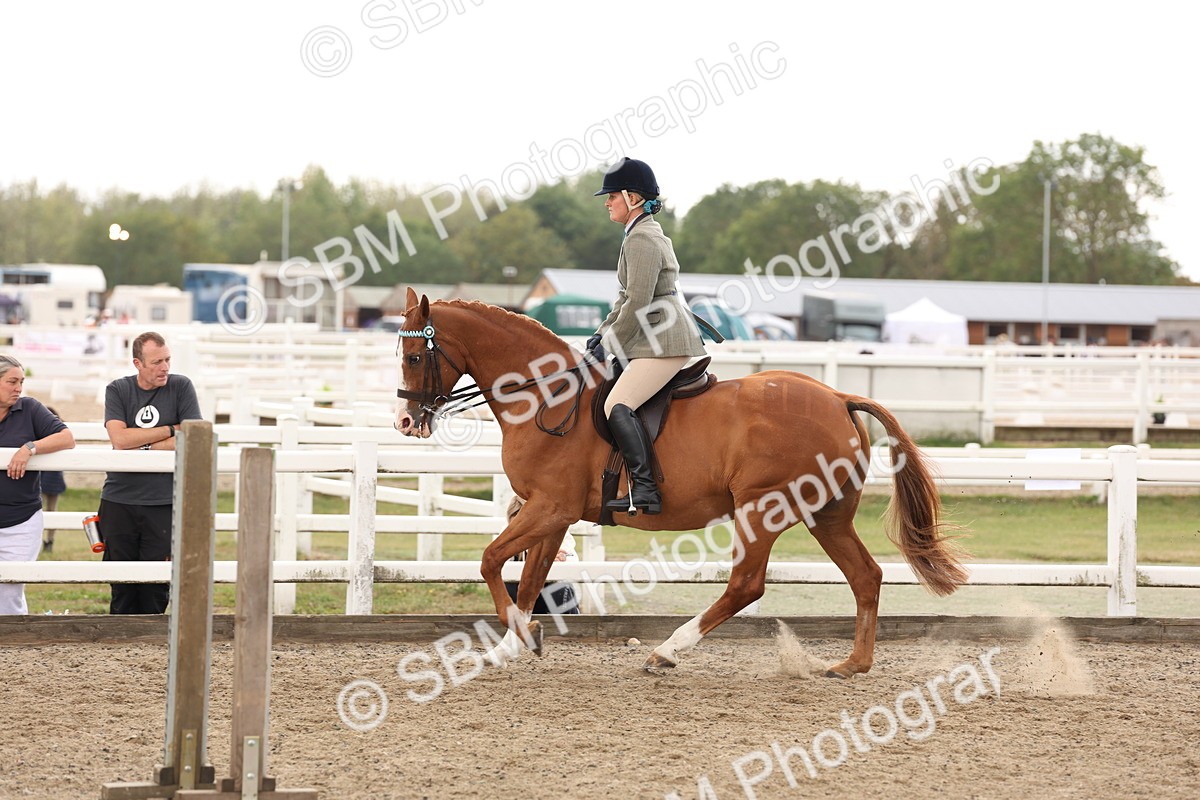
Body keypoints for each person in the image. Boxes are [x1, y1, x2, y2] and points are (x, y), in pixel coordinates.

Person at [586, 157, 707, 516]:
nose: (607, 203)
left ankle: (645, 489)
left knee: (616, 405)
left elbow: (638, 301)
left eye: (612, 196)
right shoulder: (638, 234)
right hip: (651, 336)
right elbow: (625, 298)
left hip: (664, 340)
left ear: (633, 197)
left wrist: (610, 345)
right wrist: (601, 335)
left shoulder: (642, 238)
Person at [101, 332, 202, 614]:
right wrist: (170, 429)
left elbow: (194, 435)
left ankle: (152, 637)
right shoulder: (118, 389)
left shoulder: (181, 386)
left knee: (156, 585)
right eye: (157, 362)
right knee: (120, 583)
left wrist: (142, 442)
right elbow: (120, 440)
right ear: (138, 363)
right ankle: (121, 637)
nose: (165, 367)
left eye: (167, 359)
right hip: (119, 499)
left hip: (164, 501)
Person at [0, 355, 76, 614]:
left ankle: (14, 635)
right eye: (12, 382)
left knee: (9, 589)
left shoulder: (30, 408)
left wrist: (29, 448)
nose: (18, 388)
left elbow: (66, 438)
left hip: (21, 519)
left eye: (21, 382)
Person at [502, 496, 580, 615]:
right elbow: (502, 568)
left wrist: (557, 559)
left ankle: (567, 623)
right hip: (524, 598)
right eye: (515, 528)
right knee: (509, 583)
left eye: (525, 527)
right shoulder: (506, 536)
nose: (521, 533)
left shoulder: (555, 532)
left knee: (560, 585)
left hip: (553, 597)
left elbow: (572, 562)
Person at [39, 406, 67, 553]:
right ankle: (47, 540)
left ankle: (48, 540)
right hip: (50, 477)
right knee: (49, 509)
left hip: (50, 477)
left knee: (48, 510)